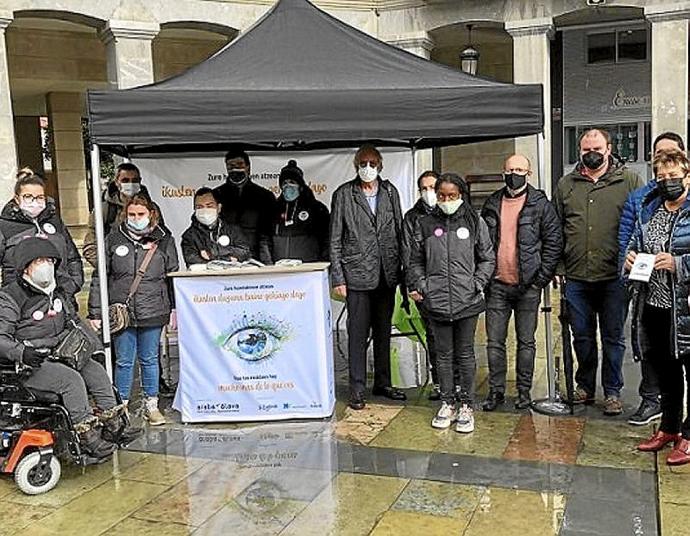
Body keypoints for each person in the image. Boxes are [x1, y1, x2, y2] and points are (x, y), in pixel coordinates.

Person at [0, 237, 123, 460]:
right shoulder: (10, 297)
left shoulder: (57, 291)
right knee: (71, 381)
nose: (45, 265)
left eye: (49, 260)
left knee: (96, 372)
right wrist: (22, 353)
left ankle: (113, 425)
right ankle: (87, 437)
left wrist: (94, 348)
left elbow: (72, 321)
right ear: (25, 267)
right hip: (30, 363)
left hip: (62, 353)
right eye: (39, 261)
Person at [554, 128, 645, 416]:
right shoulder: (566, 184)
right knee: (581, 335)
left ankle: (613, 391)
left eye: (596, 148)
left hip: (614, 277)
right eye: (585, 149)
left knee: (613, 336)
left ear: (608, 149)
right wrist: (558, 266)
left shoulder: (629, 181)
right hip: (577, 274)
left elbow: (642, 225)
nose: (591, 153)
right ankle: (585, 386)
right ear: (579, 151)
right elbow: (556, 229)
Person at [407, 173, 495, 433]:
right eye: (441, 195)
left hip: (466, 301)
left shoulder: (475, 222)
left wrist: (477, 283)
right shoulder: (424, 224)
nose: (445, 200)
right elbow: (414, 261)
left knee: (465, 354)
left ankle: (467, 405)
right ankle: (447, 402)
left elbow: (487, 258)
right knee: (443, 356)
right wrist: (424, 285)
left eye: (451, 196)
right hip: (437, 302)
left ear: (461, 195)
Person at [480, 154, 562, 411]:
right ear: (502, 172)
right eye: (510, 169)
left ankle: (524, 392)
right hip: (497, 285)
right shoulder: (492, 202)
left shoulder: (541, 204)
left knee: (526, 342)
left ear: (530, 173)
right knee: (494, 342)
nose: (514, 174)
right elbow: (483, 243)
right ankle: (495, 392)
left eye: (519, 169)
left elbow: (553, 242)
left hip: (528, 286)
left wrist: (540, 279)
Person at [88, 195, 178, 425]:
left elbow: (172, 277)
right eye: (132, 214)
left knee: (149, 358)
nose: (136, 219)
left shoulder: (165, 239)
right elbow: (101, 277)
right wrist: (95, 311)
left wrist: (175, 309)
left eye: (141, 214)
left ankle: (151, 405)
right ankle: (122, 406)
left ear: (151, 214)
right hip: (122, 312)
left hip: (154, 309)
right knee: (124, 361)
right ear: (125, 215)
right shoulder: (113, 238)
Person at [625, 149, 690, 465]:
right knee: (666, 372)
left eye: (673, 176)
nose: (668, 182)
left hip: (686, 309)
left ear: (687, 175)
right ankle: (669, 428)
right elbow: (636, 244)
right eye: (662, 177)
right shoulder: (650, 211)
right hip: (653, 304)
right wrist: (631, 258)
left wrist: (679, 264)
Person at [330, 144, 406, 410]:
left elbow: (399, 231)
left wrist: (402, 271)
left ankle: (383, 383)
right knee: (357, 334)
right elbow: (335, 239)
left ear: (381, 166)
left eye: (373, 163)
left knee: (384, 330)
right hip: (357, 275)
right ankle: (357, 388)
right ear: (355, 166)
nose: (368, 168)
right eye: (363, 163)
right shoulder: (344, 194)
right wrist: (338, 278)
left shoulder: (390, 191)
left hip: (387, 273)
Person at [0, 172, 83, 308]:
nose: (34, 201)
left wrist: (72, 285)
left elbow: (73, 257)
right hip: (23, 305)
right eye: (28, 196)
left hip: (61, 300)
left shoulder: (55, 222)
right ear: (17, 198)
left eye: (39, 197)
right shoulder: (5, 227)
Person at [402, 170, 442, 400]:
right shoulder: (411, 217)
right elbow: (408, 255)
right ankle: (439, 382)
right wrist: (414, 285)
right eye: (424, 188)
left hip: (450, 285)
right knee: (434, 337)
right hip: (425, 287)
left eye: (433, 187)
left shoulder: (452, 211)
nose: (429, 193)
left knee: (455, 338)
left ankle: (457, 384)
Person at [83, 163, 164, 268]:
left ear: (140, 181)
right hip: (115, 275)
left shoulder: (152, 208)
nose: (130, 184)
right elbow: (90, 247)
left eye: (134, 180)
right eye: (125, 180)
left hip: (146, 273)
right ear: (117, 182)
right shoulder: (103, 210)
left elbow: (162, 240)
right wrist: (111, 269)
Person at [213, 147, 277, 262]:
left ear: (248, 167)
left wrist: (267, 261)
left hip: (257, 257)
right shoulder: (217, 195)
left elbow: (268, 234)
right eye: (230, 166)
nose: (235, 168)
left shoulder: (265, 196)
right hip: (226, 256)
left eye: (239, 164)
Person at [264, 160, 330, 263]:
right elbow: (265, 240)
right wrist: (268, 264)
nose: (288, 186)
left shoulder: (317, 209)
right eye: (284, 183)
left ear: (300, 186)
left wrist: (322, 264)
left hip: (309, 268)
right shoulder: (273, 209)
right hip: (279, 269)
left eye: (292, 182)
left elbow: (326, 240)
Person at [181, 187, 251, 266]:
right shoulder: (189, 236)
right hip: (205, 278)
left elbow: (245, 253)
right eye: (199, 207)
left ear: (219, 208)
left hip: (233, 277)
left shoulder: (233, 230)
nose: (205, 210)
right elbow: (194, 262)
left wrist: (213, 252)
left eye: (209, 206)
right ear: (194, 209)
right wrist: (228, 259)